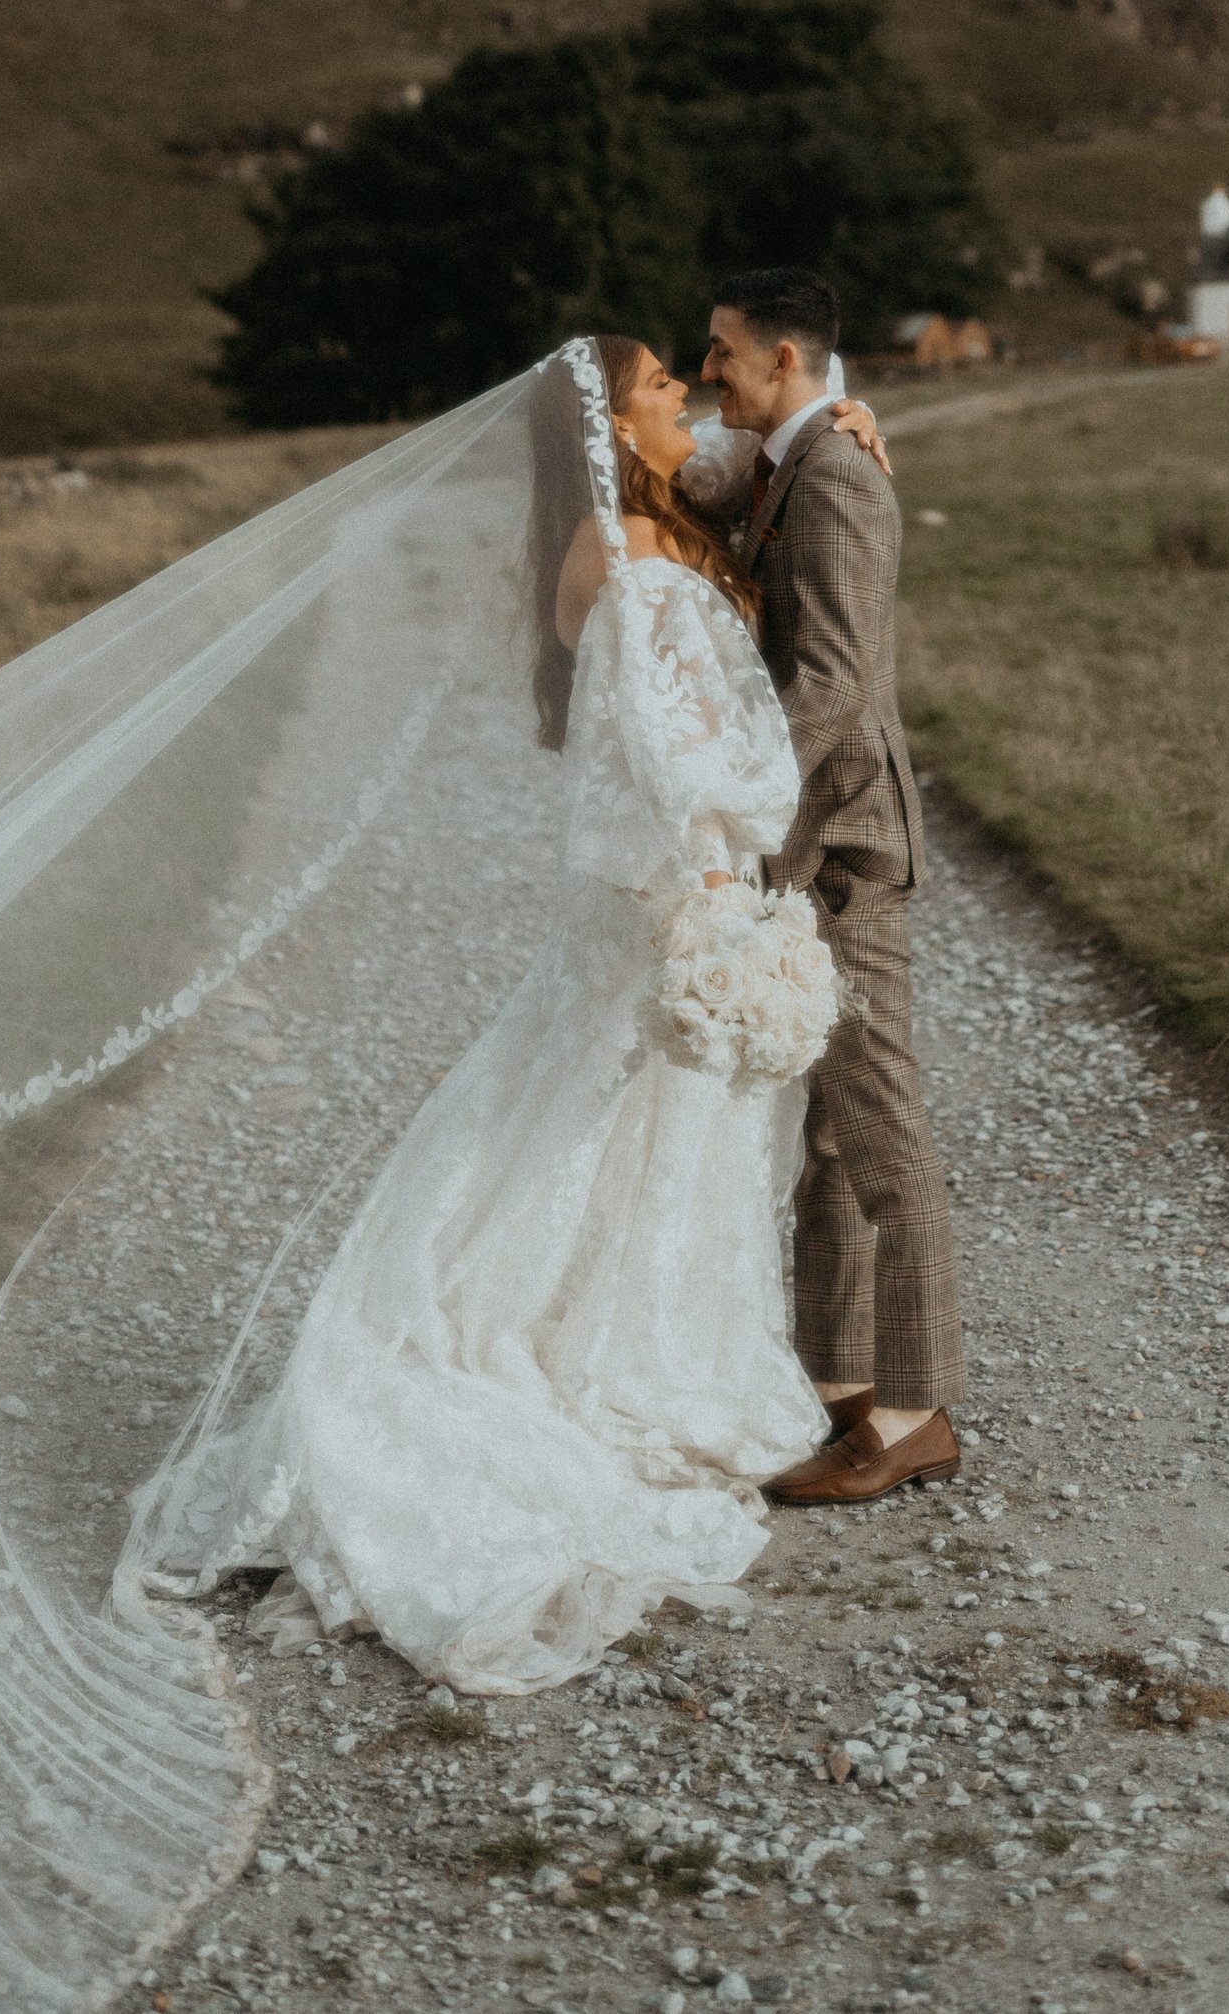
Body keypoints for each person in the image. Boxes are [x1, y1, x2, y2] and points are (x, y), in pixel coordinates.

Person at [142, 336, 825, 1691]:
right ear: (612, 427)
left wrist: (835, 407)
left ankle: (618, 1333)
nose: (684, 403)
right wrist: (720, 884)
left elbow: (767, 449)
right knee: (595, 1122)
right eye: (656, 394)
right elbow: (667, 746)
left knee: (618, 1130)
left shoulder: (640, 520)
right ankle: (577, 1363)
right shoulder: (623, 555)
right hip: (670, 890)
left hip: (660, 892)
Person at [700, 267, 965, 1503]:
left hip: (845, 845)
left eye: (724, 356)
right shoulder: (790, 457)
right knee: (824, 1140)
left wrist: (729, 790)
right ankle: (834, 1386)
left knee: (881, 1130)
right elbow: (669, 462)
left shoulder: (841, 476)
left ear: (789, 359)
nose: (710, 374)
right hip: (812, 846)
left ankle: (912, 1410)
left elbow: (839, 683)